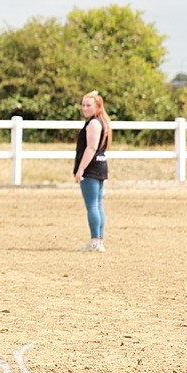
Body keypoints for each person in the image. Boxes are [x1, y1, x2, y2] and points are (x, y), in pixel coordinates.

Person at [73, 90, 111, 252]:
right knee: (98, 204)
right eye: (83, 105)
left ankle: (96, 240)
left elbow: (91, 147)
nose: (85, 108)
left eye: (89, 105)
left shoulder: (94, 123)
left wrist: (80, 169)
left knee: (92, 205)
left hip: (92, 168)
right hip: (100, 166)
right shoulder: (102, 122)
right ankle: (98, 240)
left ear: (98, 107)